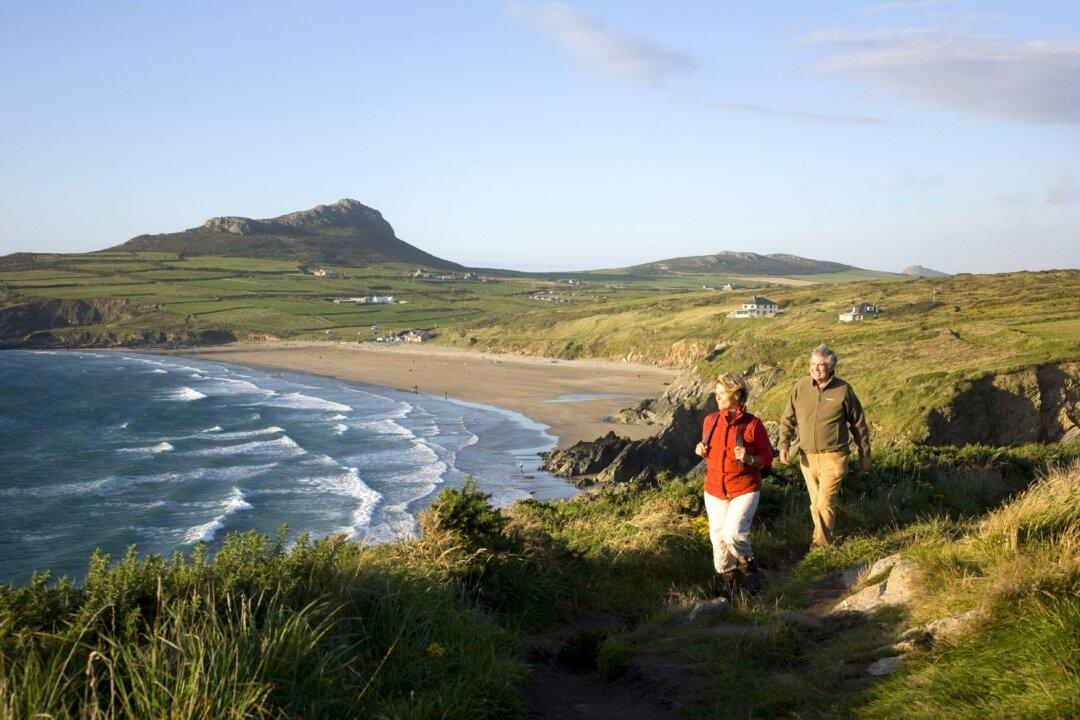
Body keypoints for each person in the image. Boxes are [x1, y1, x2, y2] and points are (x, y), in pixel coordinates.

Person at [778, 344, 871, 550]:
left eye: (820, 365)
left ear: (831, 367)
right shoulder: (800, 387)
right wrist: (783, 444)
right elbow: (787, 418)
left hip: (835, 457)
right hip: (807, 457)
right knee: (815, 504)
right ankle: (822, 538)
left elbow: (859, 424)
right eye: (812, 364)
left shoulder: (843, 390)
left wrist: (865, 453)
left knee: (824, 503)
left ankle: (820, 545)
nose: (815, 368)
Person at [695, 372, 773, 594]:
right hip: (714, 490)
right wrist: (702, 451)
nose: (717, 397)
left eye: (722, 393)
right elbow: (711, 453)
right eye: (716, 393)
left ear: (737, 394)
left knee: (733, 534)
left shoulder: (753, 425)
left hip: (744, 488)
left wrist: (748, 458)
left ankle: (749, 570)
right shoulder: (710, 421)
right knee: (718, 541)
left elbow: (766, 458)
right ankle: (731, 586)